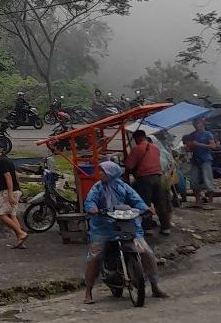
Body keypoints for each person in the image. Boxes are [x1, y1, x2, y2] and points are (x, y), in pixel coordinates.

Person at [83, 161, 169, 304]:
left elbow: (136, 200)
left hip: (126, 224)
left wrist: (145, 208)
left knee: (146, 252)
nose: (100, 174)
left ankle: (155, 286)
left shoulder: (124, 187)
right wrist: (92, 208)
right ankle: (88, 292)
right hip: (104, 227)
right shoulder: (97, 188)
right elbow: (90, 202)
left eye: (103, 172)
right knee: (94, 257)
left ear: (111, 173)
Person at [125, 130, 172, 235]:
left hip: (144, 179)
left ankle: (148, 228)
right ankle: (165, 228)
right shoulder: (155, 148)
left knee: (145, 204)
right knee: (160, 204)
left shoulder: (137, 149)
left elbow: (129, 165)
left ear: (137, 138)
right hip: (157, 178)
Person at [0, 143, 28, 248]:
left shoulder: (0, 161)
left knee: (0, 214)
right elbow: (15, 175)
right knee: (12, 215)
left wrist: (10, 194)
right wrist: (19, 190)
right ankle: (20, 240)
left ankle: (21, 233)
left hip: (8, 191)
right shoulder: (6, 159)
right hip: (15, 190)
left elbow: (8, 176)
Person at [182, 118, 218, 208]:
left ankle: (210, 202)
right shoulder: (192, 135)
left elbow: (213, 146)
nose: (196, 125)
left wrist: (198, 144)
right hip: (195, 160)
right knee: (193, 181)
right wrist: (188, 147)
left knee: (208, 180)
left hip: (206, 160)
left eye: (198, 123)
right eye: (195, 123)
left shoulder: (208, 134)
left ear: (202, 124)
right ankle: (197, 201)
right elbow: (189, 147)